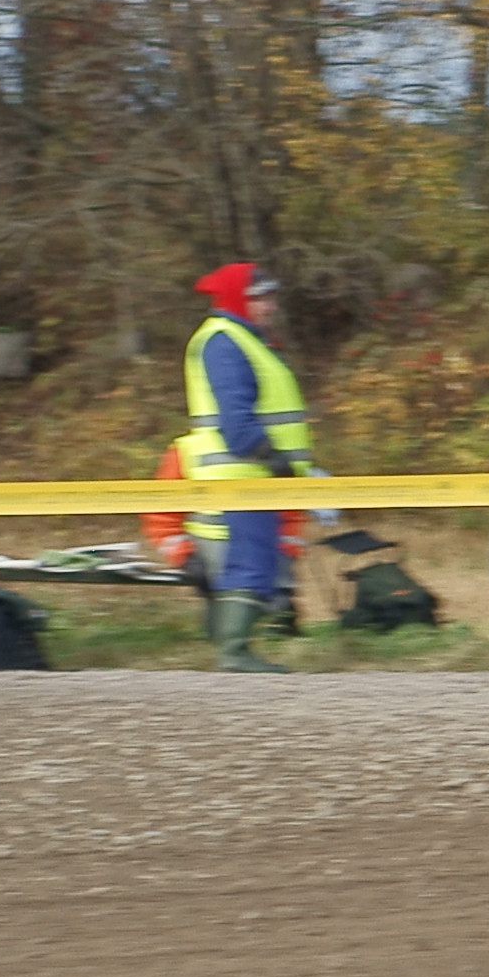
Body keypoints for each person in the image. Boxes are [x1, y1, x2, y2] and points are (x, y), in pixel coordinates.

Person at [178, 261, 316, 672]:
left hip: (254, 473)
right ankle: (234, 652)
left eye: (273, 297)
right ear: (239, 298)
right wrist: (271, 457)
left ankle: (232, 649)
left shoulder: (243, 338)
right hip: (243, 473)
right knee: (250, 565)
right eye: (261, 298)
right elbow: (235, 421)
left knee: (256, 562)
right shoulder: (224, 341)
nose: (270, 306)